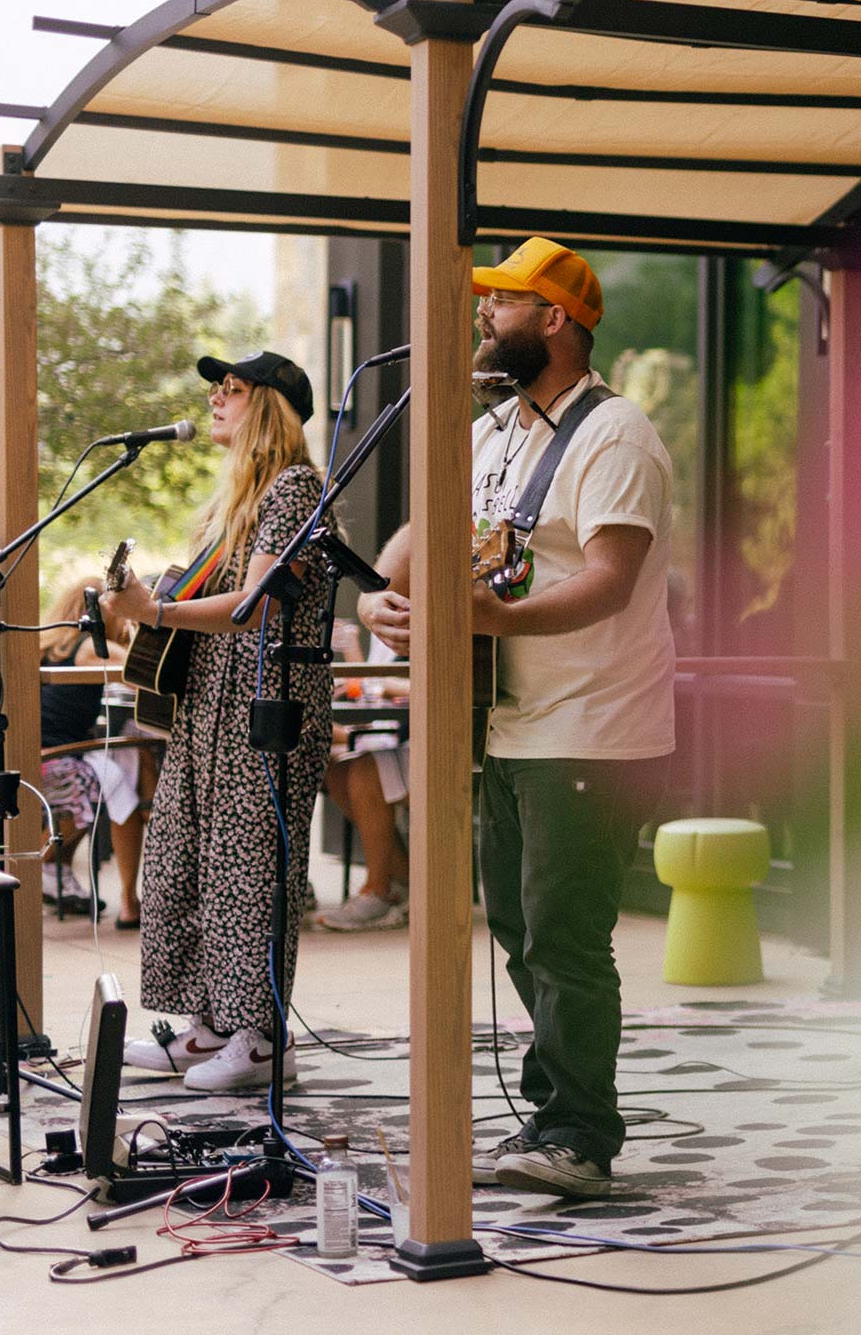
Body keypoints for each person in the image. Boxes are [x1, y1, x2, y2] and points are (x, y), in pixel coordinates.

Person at [359, 237, 675, 1200]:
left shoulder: (616, 434)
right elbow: (408, 553)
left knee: (564, 934)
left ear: (556, 320)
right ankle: (552, 1109)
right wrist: (380, 600)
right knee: (519, 929)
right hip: (504, 719)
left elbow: (611, 583)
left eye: (500, 303)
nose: (482, 319)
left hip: (589, 723)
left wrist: (491, 615)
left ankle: (582, 1132)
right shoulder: (491, 431)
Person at [102, 350, 332, 1093]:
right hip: (212, 702)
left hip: (267, 698)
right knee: (189, 858)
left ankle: (261, 1038)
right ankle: (207, 1028)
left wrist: (156, 610)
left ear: (271, 406)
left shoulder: (296, 487)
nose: (213, 400)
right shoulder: (232, 500)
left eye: (230, 389)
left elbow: (259, 603)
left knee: (249, 868)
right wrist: (140, 609)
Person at [38, 577, 131, 914]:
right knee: (113, 778)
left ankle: (52, 870)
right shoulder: (90, 647)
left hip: (29, 755)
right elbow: (139, 665)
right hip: (54, 761)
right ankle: (39, 864)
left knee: (110, 771)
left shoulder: (47, 645)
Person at [315, 633, 410, 931]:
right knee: (334, 767)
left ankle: (379, 888)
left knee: (364, 770)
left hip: (433, 739)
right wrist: (352, 647)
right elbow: (371, 691)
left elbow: (429, 685)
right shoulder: (382, 622)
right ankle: (406, 881)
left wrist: (374, 684)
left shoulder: (424, 615)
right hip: (390, 735)